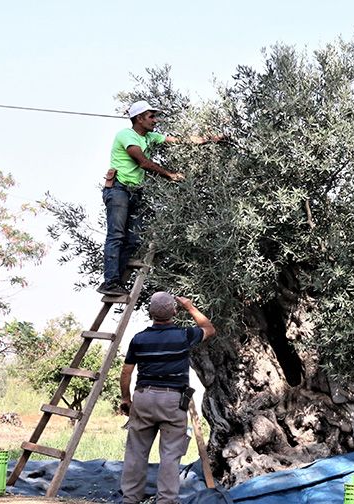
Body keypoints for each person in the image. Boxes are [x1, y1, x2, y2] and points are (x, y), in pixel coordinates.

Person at [98, 100, 224, 295]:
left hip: (135, 192)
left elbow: (182, 140)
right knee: (116, 236)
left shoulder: (150, 136)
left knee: (133, 240)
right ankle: (110, 282)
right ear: (139, 118)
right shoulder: (126, 135)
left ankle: (116, 282)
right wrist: (170, 175)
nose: (155, 120)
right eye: (151, 116)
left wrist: (212, 138)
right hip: (118, 190)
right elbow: (142, 162)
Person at [119, 291, 216, 504]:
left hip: (143, 398)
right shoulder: (183, 336)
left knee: (136, 453)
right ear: (174, 311)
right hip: (173, 401)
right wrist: (189, 306)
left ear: (150, 313)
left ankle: (130, 499)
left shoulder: (139, 339)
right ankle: (166, 500)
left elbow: (126, 372)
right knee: (170, 455)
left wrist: (126, 399)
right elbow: (209, 328)